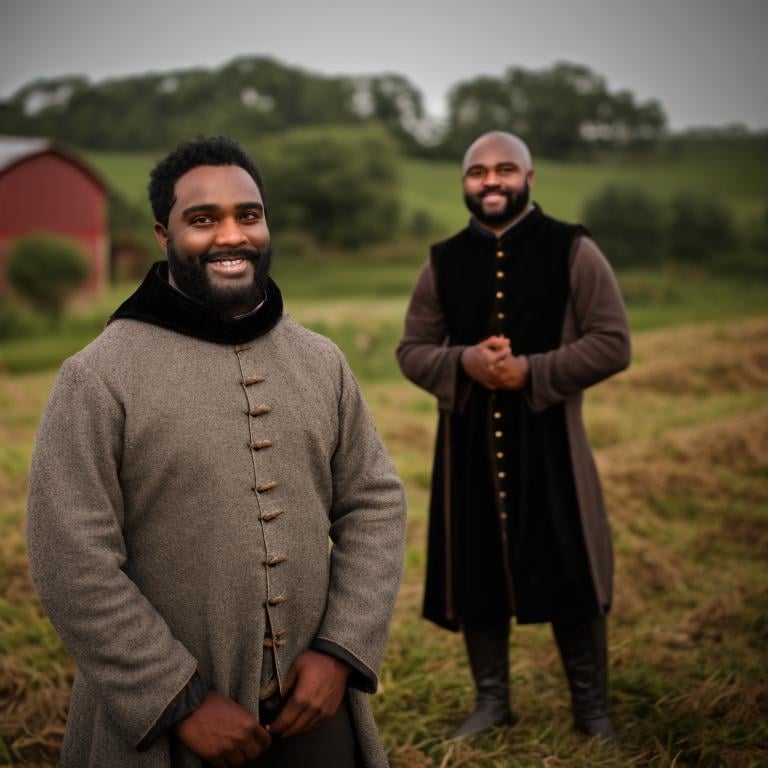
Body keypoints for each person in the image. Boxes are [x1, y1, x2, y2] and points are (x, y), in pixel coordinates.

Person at [27, 135, 407, 767]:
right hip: (165, 731)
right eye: (202, 220)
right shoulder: (98, 377)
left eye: (247, 216)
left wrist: (340, 651)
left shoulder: (322, 361)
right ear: (162, 234)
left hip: (315, 713)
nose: (231, 236)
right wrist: (177, 700)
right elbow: (72, 559)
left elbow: (375, 504)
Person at [396, 131, 630, 741]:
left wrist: (533, 371)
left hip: (551, 440)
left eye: (504, 169)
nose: (491, 181)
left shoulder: (573, 249)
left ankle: (592, 711)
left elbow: (612, 342)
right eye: (478, 172)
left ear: (530, 178)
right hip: (467, 443)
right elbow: (411, 350)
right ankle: (492, 703)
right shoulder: (442, 261)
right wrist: (464, 363)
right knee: (476, 568)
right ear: (464, 183)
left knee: (570, 564)